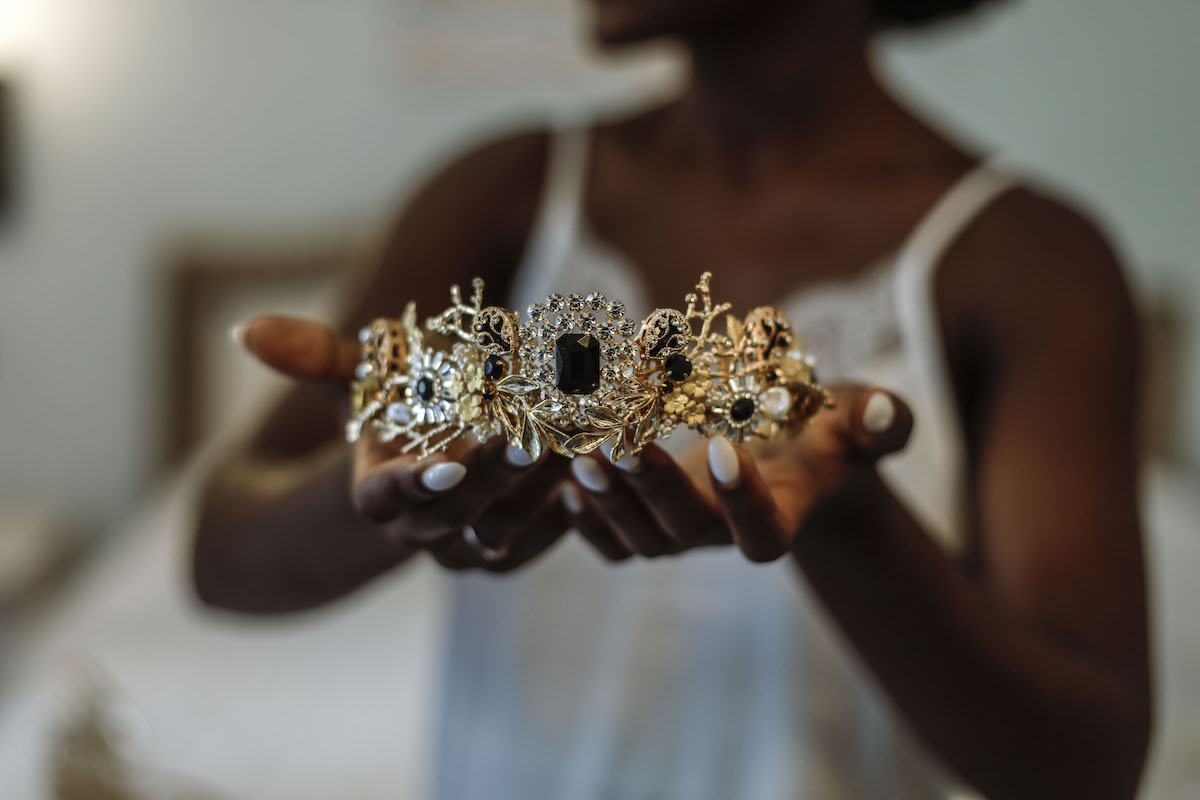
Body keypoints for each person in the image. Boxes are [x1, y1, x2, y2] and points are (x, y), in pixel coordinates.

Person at [193, 0, 1152, 797]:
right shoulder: (503, 196)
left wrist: (850, 524)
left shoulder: (1027, 264)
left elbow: (1086, 764)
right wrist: (393, 489)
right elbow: (221, 555)